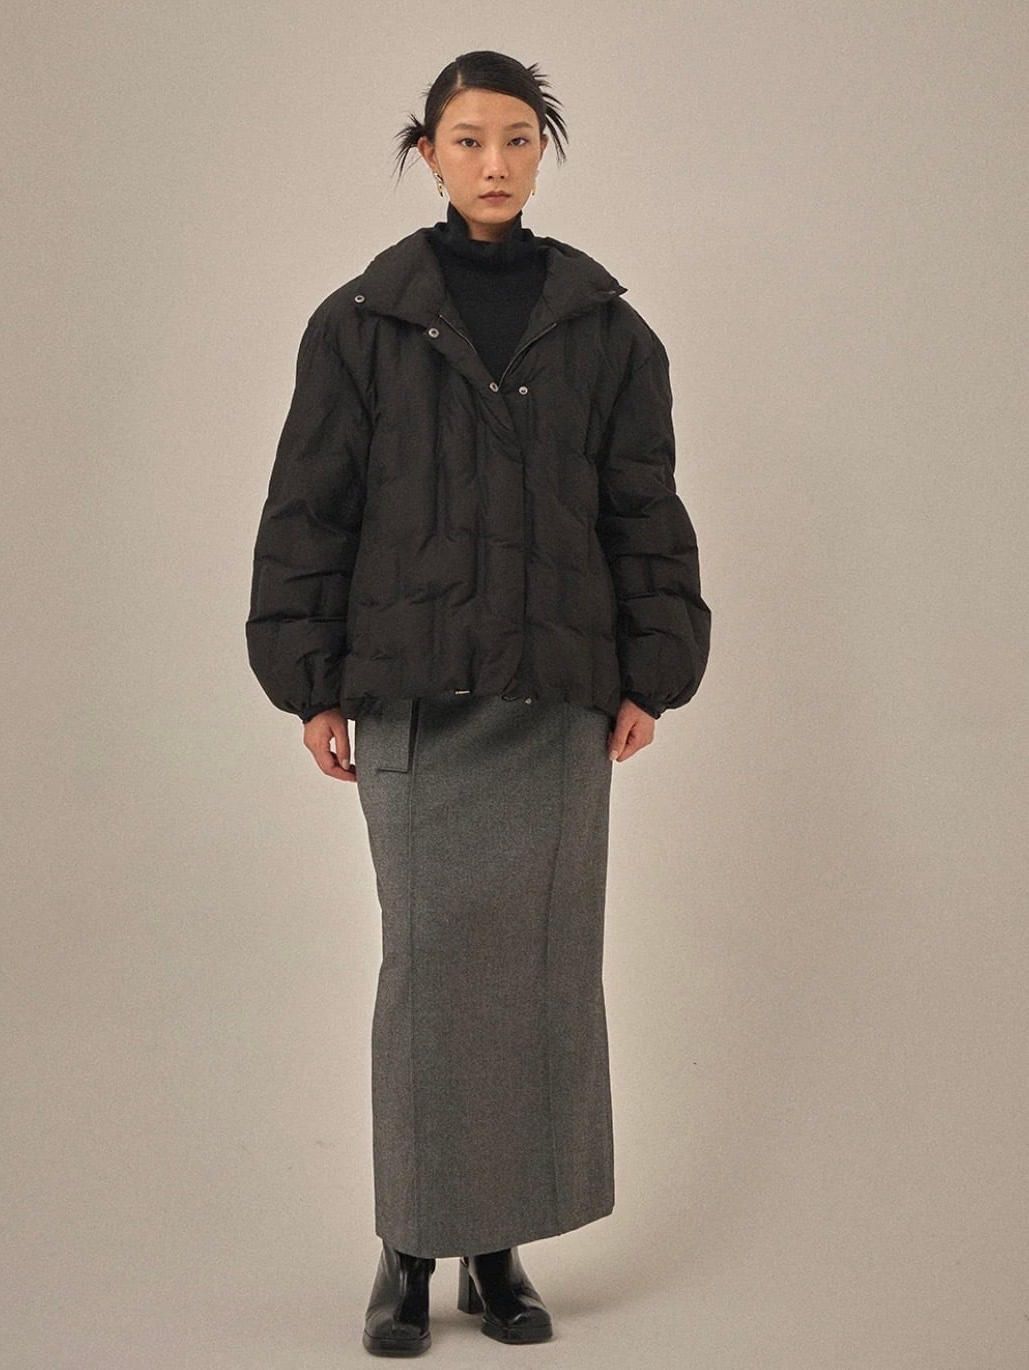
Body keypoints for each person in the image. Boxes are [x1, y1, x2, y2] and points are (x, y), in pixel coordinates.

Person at [246, 49, 711, 1357]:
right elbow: (310, 506)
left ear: (541, 151)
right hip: (414, 694)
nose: (494, 162)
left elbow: (643, 509)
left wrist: (650, 669)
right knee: (431, 972)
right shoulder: (359, 323)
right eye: (467, 139)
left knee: (541, 977)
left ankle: (496, 1254)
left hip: (557, 699)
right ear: (428, 152)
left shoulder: (607, 331)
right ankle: (408, 1248)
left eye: (516, 138)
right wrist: (309, 682)